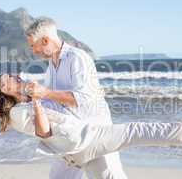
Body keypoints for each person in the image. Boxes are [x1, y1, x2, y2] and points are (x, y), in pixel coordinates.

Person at [0, 74, 182, 176]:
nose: (17, 77)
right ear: (6, 90)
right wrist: (38, 100)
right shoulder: (18, 113)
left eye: (16, 75)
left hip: (78, 147)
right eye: (11, 78)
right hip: (83, 140)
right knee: (137, 131)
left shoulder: (25, 105)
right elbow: (43, 130)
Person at [25, 17, 128, 179]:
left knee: (110, 176)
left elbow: (83, 99)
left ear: (45, 40)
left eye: (33, 45)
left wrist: (44, 92)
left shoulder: (77, 58)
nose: (33, 51)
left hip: (96, 132)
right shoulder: (52, 65)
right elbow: (51, 100)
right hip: (71, 134)